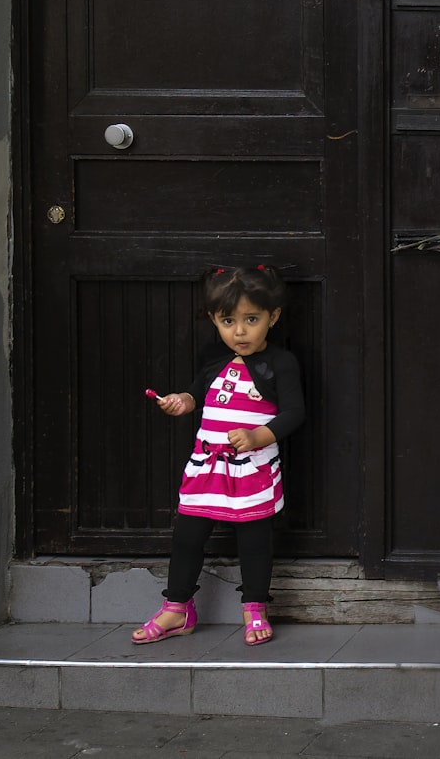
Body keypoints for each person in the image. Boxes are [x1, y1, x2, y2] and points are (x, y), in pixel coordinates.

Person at [132, 265, 306, 646]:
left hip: (252, 467)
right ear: (214, 318)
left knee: (254, 538)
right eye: (228, 320)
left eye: (251, 319)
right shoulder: (213, 356)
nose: (239, 331)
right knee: (187, 537)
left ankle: (255, 607)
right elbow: (198, 394)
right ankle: (177, 608)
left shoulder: (280, 363)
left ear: (273, 317)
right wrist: (182, 401)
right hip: (206, 465)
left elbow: (295, 412)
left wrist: (258, 435)